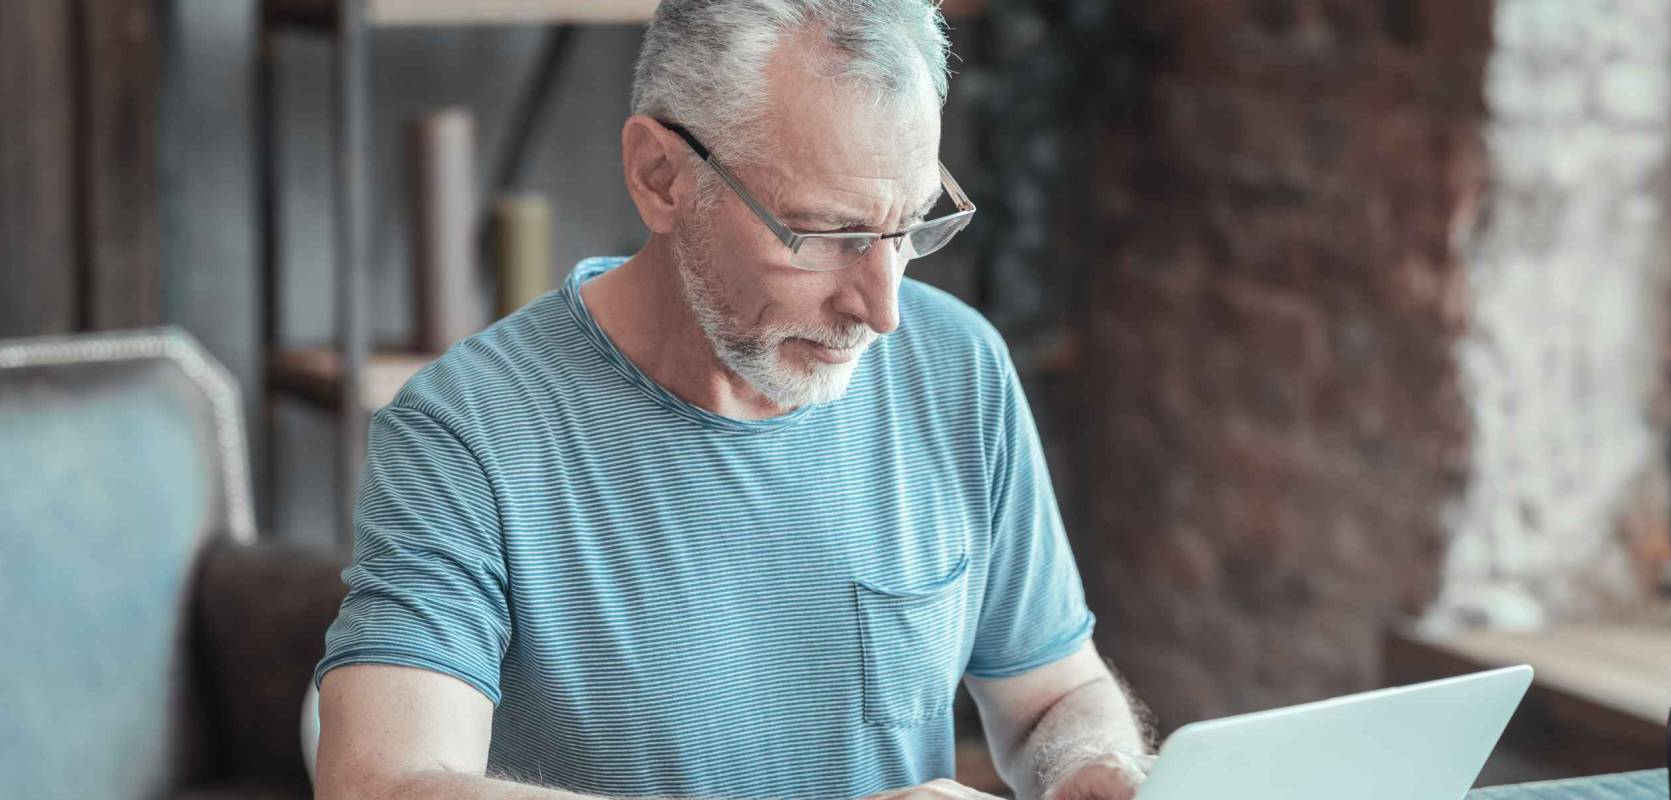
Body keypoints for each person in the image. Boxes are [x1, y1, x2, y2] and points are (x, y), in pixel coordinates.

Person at [312, 2, 1154, 798]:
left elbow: (1052, 694)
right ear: (661, 177)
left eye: (909, 227)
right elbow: (384, 785)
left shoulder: (958, 367)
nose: (882, 308)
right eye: (830, 235)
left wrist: (1093, 762)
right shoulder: (469, 430)